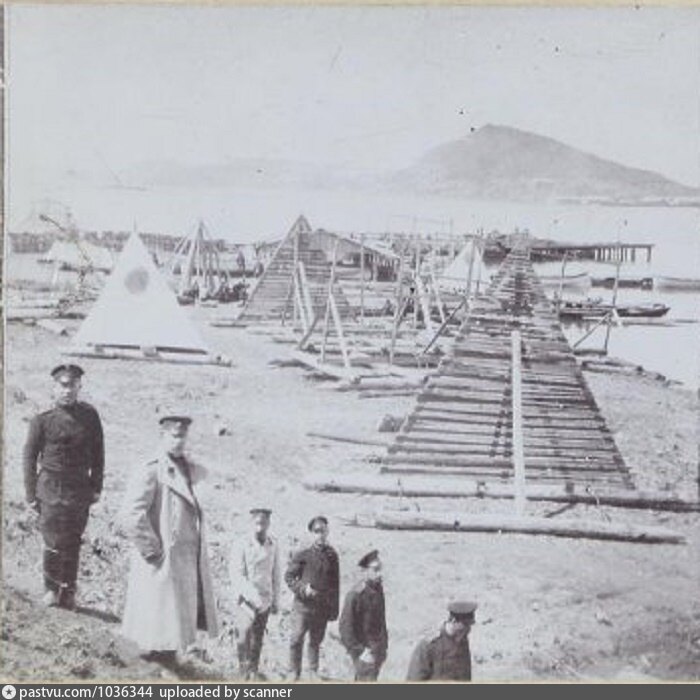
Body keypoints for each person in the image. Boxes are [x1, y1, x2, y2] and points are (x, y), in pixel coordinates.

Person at [120, 416, 218, 664]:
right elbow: (130, 514)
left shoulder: (190, 469)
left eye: (183, 436)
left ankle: (168, 655)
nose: (179, 441)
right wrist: (153, 549)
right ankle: (153, 660)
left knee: (175, 616)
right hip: (161, 556)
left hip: (186, 556)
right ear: (162, 435)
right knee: (157, 614)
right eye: (174, 436)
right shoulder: (151, 469)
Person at [23, 364, 104, 610]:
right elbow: (29, 457)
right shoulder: (42, 419)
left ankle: (68, 591)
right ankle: (51, 589)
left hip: (79, 488)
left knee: (73, 540)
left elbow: (99, 453)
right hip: (50, 487)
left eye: (73, 385)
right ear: (54, 387)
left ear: (80, 386)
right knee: (52, 540)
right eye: (63, 385)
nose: (68, 391)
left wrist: (96, 487)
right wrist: (31, 494)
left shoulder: (89, 416)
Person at [285, 515, 340, 680]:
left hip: (321, 607)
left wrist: (333, 610)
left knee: (316, 641)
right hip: (302, 606)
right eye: (317, 531)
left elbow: (335, 584)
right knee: (296, 638)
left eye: (323, 530)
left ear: (327, 532)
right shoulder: (303, 553)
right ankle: (293, 671)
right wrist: (303, 589)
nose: (320, 534)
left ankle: (313, 672)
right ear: (311, 533)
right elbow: (289, 577)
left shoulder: (332, 555)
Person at [230, 507, 281, 680]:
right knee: (244, 634)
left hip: (265, 599)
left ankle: (253, 670)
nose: (260, 526)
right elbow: (237, 575)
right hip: (246, 599)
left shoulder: (273, 545)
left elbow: (276, 574)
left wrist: (276, 601)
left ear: (268, 524)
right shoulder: (241, 543)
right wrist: (252, 597)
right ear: (251, 523)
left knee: (257, 637)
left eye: (264, 523)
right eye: (257, 522)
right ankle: (242, 670)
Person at [339, 550, 388, 681]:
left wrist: (383, 647)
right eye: (375, 569)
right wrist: (360, 652)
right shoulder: (355, 595)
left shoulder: (378, 590)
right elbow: (345, 629)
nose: (380, 573)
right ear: (365, 571)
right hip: (364, 653)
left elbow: (381, 621)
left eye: (380, 568)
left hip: (377, 650)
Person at [406, 601, 477, 681]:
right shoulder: (429, 645)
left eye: (469, 626)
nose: (468, 630)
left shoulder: (463, 640)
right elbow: (414, 678)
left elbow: (465, 674)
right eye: (465, 625)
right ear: (453, 621)